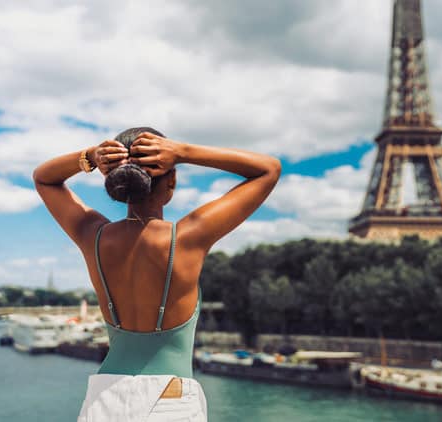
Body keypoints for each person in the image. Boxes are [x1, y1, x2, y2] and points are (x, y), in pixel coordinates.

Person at [33, 127, 281, 421]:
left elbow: (44, 179)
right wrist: (183, 152)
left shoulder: (93, 235)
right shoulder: (188, 237)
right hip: (170, 399)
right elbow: (268, 169)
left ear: (114, 177)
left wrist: (89, 156)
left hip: (104, 398)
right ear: (171, 180)